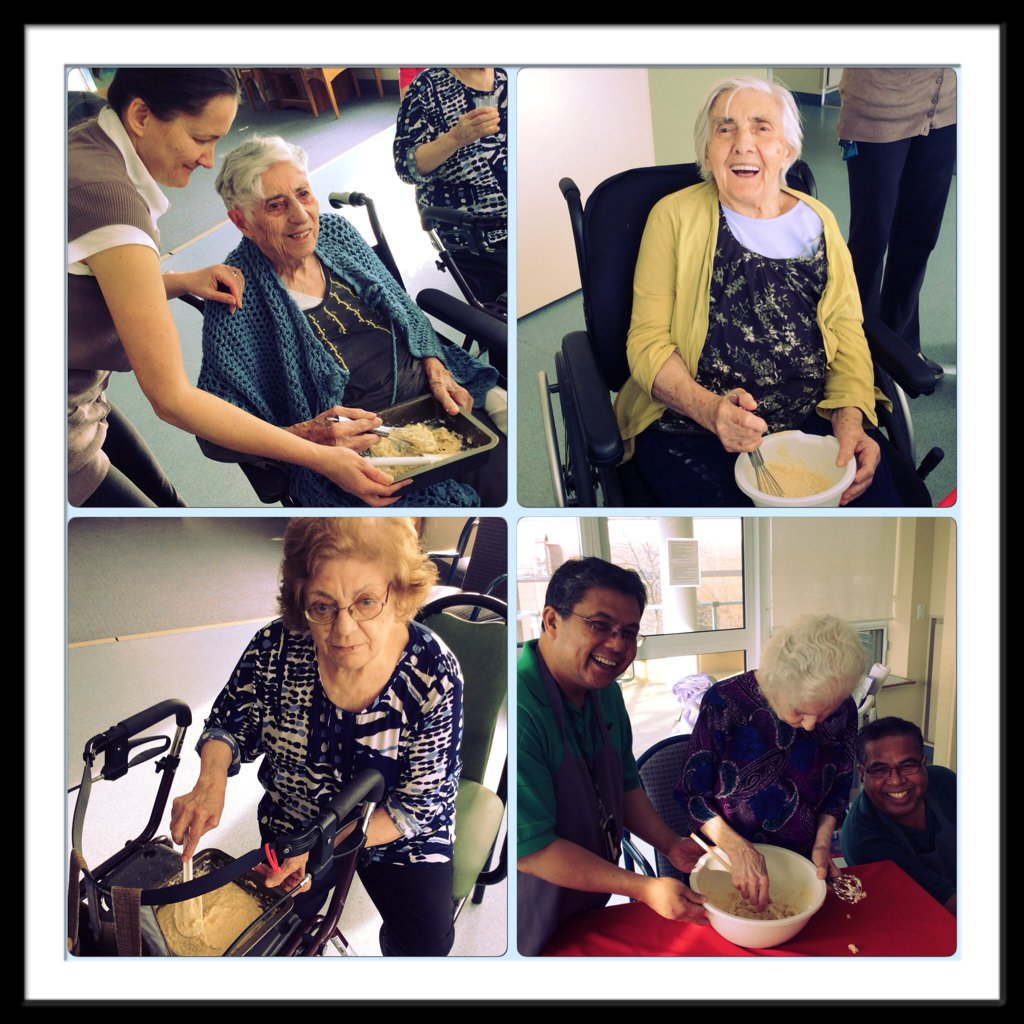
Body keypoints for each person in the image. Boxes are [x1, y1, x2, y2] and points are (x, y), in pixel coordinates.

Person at [68, 68, 402, 508]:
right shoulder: (110, 202)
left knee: (169, 504)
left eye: (303, 195)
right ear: (141, 116)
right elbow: (173, 399)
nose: (209, 159)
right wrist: (319, 454)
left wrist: (175, 281)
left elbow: (85, 278)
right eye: (201, 138)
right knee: (157, 539)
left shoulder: (83, 140)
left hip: (85, 391)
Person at [616, 76, 918, 508]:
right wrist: (710, 410)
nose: (742, 144)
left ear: (787, 150)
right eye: (725, 128)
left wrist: (850, 419)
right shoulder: (673, 218)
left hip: (813, 419)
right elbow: (646, 342)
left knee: (887, 499)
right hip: (691, 426)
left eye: (762, 127)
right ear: (707, 150)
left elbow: (847, 329)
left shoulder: (819, 221)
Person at [170, 518, 463, 956]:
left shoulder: (432, 673)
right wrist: (210, 781)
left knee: (425, 944)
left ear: (399, 594)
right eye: (323, 607)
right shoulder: (279, 647)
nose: (343, 630)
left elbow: (416, 806)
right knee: (271, 935)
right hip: (296, 822)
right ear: (301, 601)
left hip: (399, 837)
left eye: (366, 602)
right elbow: (230, 723)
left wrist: (322, 846)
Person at [199, 134, 506, 508]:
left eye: (304, 194)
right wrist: (307, 437)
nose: (301, 216)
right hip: (359, 449)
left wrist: (436, 365)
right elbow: (214, 433)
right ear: (242, 222)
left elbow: (405, 309)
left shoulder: (337, 233)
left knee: (507, 467)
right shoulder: (235, 296)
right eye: (277, 206)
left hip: (438, 404)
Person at [517, 557, 708, 956]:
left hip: (591, 894)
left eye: (629, 632)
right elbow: (532, 850)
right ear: (552, 620)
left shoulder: (605, 692)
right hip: (534, 905)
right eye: (600, 625)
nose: (618, 645)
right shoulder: (522, 707)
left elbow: (623, 783)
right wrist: (643, 887)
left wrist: (669, 843)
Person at [675, 614, 864, 911]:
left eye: (824, 713)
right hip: (726, 863)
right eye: (801, 711)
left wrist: (822, 843)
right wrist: (738, 850)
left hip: (801, 861)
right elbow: (692, 797)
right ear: (776, 686)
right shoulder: (725, 702)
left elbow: (839, 787)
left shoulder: (843, 707)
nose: (813, 725)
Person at [837, 68, 956, 381]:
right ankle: (855, 354)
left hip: (945, 110)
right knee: (870, 240)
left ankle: (901, 343)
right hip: (878, 107)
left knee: (920, 234)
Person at [393, 68, 508, 306]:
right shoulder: (425, 88)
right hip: (478, 235)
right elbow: (406, 167)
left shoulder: (507, 77)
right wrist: (455, 138)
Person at [841, 717, 956, 914]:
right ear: (861, 773)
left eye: (908, 765)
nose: (896, 781)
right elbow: (940, 898)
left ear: (923, 763)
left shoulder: (945, 782)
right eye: (879, 770)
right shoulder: (862, 839)